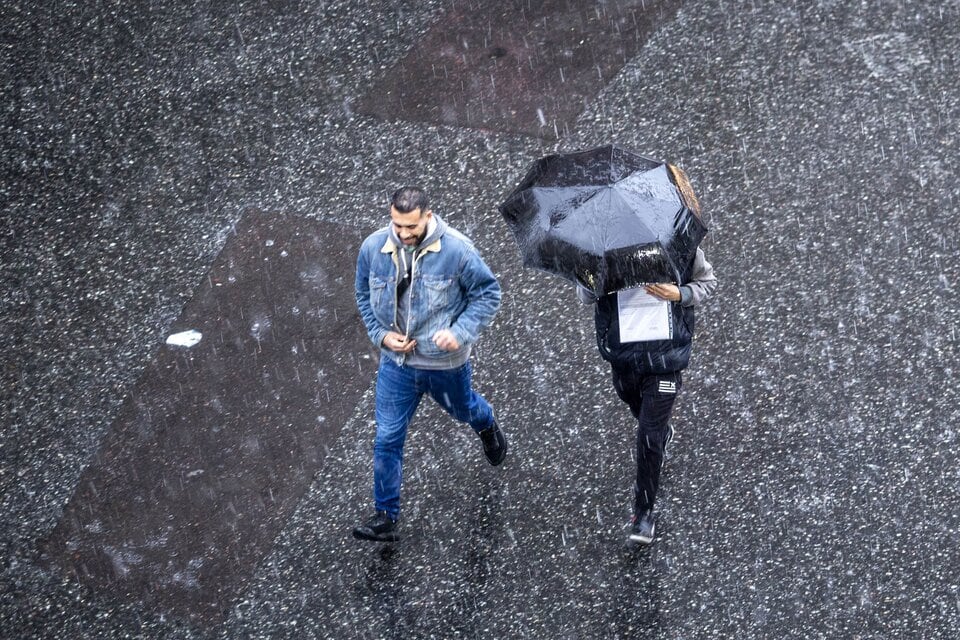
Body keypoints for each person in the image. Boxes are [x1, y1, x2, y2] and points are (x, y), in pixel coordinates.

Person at [352, 186, 506, 542]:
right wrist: (380, 335)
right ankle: (385, 514)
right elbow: (362, 293)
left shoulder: (458, 251)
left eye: (411, 226)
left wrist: (460, 331)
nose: (404, 234)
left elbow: (488, 294)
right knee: (387, 436)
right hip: (396, 363)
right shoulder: (373, 248)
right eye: (397, 225)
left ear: (428, 216)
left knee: (465, 409)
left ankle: (487, 425)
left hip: (444, 364)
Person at [577, 170, 716, 546]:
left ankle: (643, 513)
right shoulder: (601, 248)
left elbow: (706, 284)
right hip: (623, 354)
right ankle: (659, 430)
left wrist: (678, 294)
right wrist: (598, 279)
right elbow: (585, 296)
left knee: (649, 436)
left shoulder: (682, 243)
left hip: (666, 356)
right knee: (632, 402)